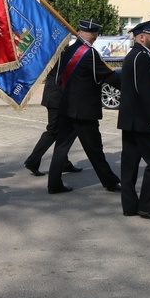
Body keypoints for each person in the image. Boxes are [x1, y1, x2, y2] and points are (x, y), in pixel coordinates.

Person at [47, 19, 121, 194]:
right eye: (96, 34)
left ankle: (54, 184)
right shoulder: (90, 54)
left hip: (66, 106)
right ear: (95, 35)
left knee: (61, 147)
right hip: (84, 111)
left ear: (80, 32)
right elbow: (107, 77)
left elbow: (58, 78)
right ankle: (110, 183)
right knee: (95, 149)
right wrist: (127, 85)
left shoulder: (68, 51)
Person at [117, 20, 150, 221]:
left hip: (132, 120)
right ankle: (148, 206)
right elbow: (146, 93)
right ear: (141, 37)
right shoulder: (141, 57)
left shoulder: (138, 55)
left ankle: (130, 206)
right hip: (143, 122)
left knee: (130, 164)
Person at [23, 63, 82, 176]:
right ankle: (32, 161)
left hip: (56, 97)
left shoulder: (57, 51)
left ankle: (64, 163)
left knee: (63, 131)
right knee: (53, 131)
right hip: (56, 98)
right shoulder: (59, 53)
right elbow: (60, 77)